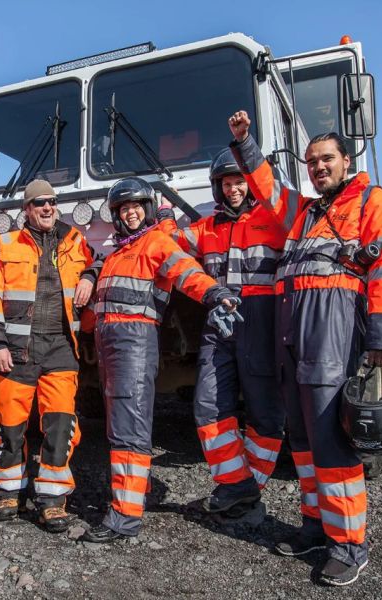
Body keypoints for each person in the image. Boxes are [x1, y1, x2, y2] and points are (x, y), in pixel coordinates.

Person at [227, 110, 382, 586]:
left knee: (332, 446)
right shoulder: (304, 212)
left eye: (326, 159)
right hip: (292, 339)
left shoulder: (374, 202)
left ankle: (348, 546)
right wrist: (245, 146)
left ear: (347, 160)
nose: (318, 167)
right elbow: (266, 188)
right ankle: (315, 527)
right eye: (311, 162)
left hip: (334, 338)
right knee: (303, 444)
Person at [78, 177, 242, 543]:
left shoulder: (155, 242)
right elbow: (98, 306)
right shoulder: (119, 251)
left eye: (136, 206)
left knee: (128, 429)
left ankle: (124, 515)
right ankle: (140, 492)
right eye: (123, 209)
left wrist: (215, 294)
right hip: (110, 346)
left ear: (148, 210)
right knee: (119, 423)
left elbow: (187, 273)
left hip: (134, 344)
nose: (130, 213)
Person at [158, 151, 286, 516]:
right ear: (217, 188)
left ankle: (246, 487)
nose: (232, 189)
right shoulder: (207, 227)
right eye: (226, 184)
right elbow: (173, 246)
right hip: (219, 323)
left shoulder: (273, 219)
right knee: (208, 405)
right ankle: (235, 483)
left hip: (262, 323)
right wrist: (166, 216)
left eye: (238, 182)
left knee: (265, 411)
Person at [0, 179, 96, 533]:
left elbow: (101, 263)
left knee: (61, 428)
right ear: (26, 210)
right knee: (10, 426)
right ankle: (8, 492)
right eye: (39, 203)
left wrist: (90, 272)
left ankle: (53, 501)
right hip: (16, 351)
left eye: (52, 202)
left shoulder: (75, 241)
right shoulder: (5, 243)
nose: (47, 208)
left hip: (61, 347)